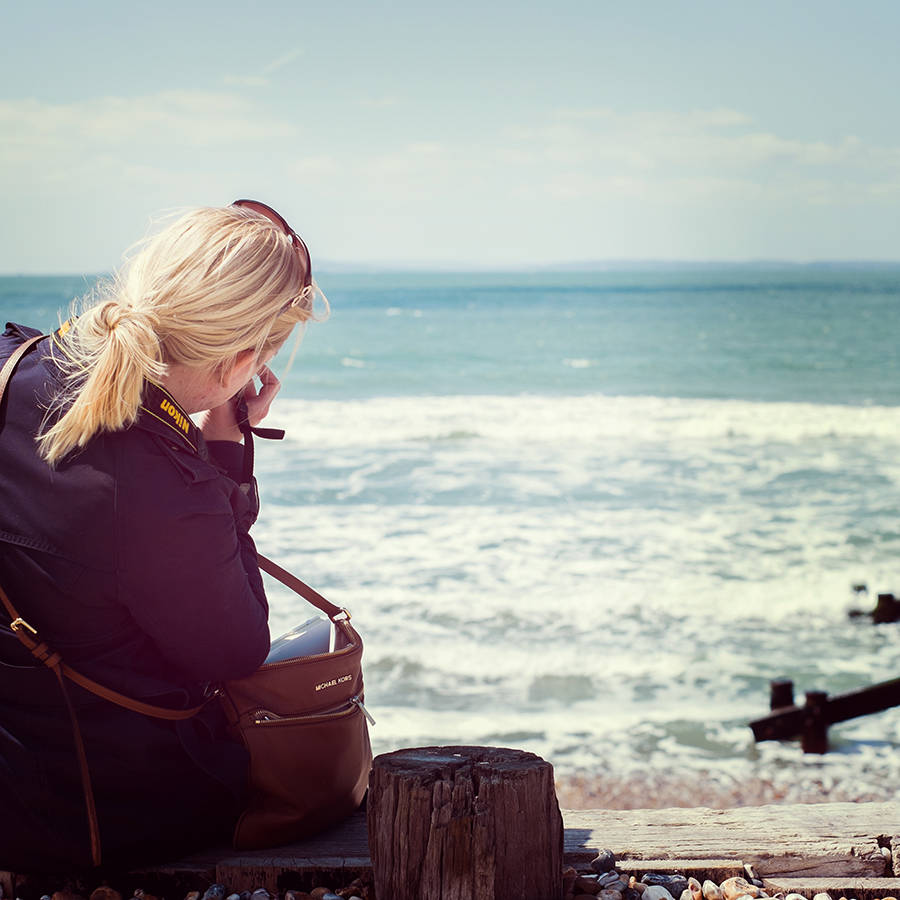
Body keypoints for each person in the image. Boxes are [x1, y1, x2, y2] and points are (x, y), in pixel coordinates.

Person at [0, 200, 322, 872]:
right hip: (99, 814)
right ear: (239, 363)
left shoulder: (11, 363)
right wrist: (225, 448)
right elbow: (234, 650)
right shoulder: (166, 488)